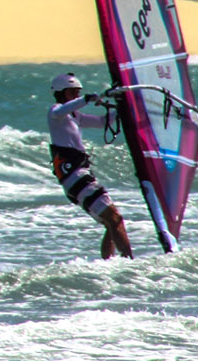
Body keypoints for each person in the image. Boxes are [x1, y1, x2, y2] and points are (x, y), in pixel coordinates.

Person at [46, 73, 134, 260]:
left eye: (78, 93)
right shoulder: (56, 112)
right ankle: (130, 262)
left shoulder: (75, 116)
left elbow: (103, 122)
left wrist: (124, 106)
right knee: (114, 219)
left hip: (79, 176)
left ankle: (108, 264)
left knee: (112, 223)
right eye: (72, 93)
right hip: (74, 176)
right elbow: (59, 111)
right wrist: (86, 99)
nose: (76, 96)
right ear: (61, 93)